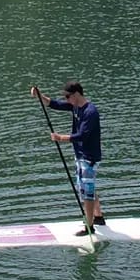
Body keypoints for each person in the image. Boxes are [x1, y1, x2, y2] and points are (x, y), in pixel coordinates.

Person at [34, 82, 104, 234]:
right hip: (80, 155)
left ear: (77, 94)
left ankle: (89, 227)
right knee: (86, 186)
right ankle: (98, 217)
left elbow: (82, 136)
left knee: (87, 192)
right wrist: (40, 96)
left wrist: (60, 138)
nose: (66, 99)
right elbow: (54, 104)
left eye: (68, 96)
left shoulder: (90, 112)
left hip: (89, 157)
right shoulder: (75, 106)